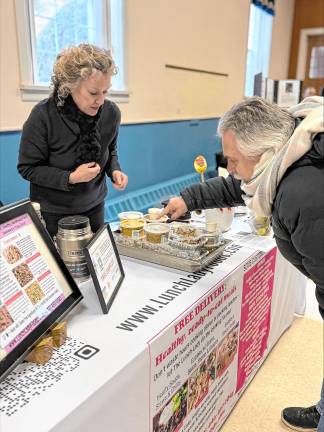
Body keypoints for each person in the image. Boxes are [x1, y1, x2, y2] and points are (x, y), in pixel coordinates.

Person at [162, 96, 324, 431]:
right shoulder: (291, 149)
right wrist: (189, 199)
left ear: (263, 152)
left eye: (234, 161)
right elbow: (241, 186)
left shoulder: (305, 197)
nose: (231, 169)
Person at [18, 44, 128, 238]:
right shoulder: (43, 116)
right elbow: (28, 168)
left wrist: (114, 170)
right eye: (93, 93)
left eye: (106, 92)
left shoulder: (111, 113)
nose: (101, 100)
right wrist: (70, 178)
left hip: (95, 205)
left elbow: (110, 150)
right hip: (54, 213)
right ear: (69, 86)